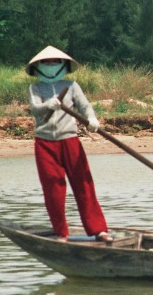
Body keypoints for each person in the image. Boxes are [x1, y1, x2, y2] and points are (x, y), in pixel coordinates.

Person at [26, 45, 113, 243]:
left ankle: (99, 229)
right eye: (46, 63)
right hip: (45, 143)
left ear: (63, 64)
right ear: (38, 66)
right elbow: (35, 109)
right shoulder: (35, 88)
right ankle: (61, 233)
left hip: (70, 140)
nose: (50, 66)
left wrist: (91, 119)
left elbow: (84, 106)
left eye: (54, 62)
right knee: (53, 188)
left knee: (84, 184)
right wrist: (47, 105)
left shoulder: (72, 86)